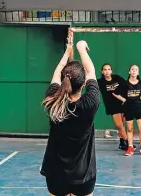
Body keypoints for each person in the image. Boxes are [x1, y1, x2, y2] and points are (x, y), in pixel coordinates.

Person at [40, 30, 99, 196]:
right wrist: (81, 47)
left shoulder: (52, 100)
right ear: (83, 85)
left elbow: (58, 72)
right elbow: (91, 72)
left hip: (56, 174)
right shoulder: (90, 103)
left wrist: (67, 52)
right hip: (83, 175)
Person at [113, 64, 141, 156]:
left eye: (136, 70)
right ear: (129, 72)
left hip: (139, 108)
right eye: (132, 69)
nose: (134, 71)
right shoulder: (125, 84)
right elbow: (115, 93)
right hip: (128, 108)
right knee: (130, 129)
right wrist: (124, 100)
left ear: (138, 72)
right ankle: (130, 147)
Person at [97, 63, 129, 151]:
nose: (107, 71)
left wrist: (124, 99)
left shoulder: (117, 78)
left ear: (111, 71)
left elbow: (126, 85)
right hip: (112, 106)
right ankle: (129, 144)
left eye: (108, 69)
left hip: (122, 103)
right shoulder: (100, 82)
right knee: (119, 125)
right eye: (105, 70)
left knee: (122, 124)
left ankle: (122, 143)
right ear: (102, 72)